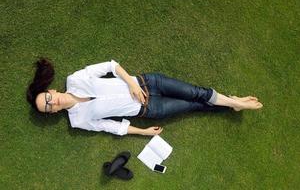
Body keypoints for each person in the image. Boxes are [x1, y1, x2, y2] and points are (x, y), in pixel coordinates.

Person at [27, 58, 263, 136]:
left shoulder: (75, 79)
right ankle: (233, 104)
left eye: (47, 98)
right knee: (193, 106)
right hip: (151, 109)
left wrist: (131, 83)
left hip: (148, 82)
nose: (52, 103)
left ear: (52, 91)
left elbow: (111, 65)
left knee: (196, 92)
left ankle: (235, 103)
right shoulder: (77, 121)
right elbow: (111, 127)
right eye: (48, 108)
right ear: (53, 112)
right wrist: (143, 132)